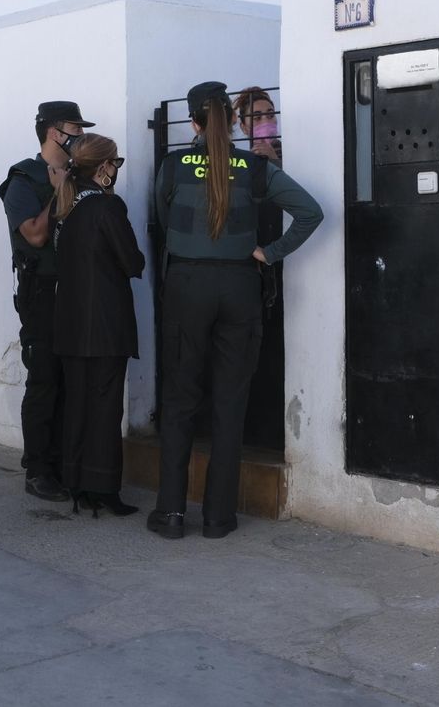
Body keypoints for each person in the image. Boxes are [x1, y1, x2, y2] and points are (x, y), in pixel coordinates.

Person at [148, 81, 323, 540]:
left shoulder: (172, 165)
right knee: (230, 402)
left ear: (193, 122)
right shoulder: (254, 168)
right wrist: (271, 251)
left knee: (180, 402)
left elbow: (163, 223)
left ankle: (169, 513)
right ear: (230, 119)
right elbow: (310, 212)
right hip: (239, 286)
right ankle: (218, 517)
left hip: (188, 285)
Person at [0, 100, 94, 502]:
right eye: (75, 128)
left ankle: (66, 464)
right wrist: (59, 192)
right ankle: (37, 469)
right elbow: (35, 235)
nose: (80, 136)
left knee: (73, 383)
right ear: (55, 132)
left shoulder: (79, 173)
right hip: (42, 293)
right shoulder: (24, 178)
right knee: (44, 382)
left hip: (77, 291)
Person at [50, 133, 144, 517]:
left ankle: (74, 483)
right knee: (105, 409)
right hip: (105, 326)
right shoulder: (108, 208)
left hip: (69, 324)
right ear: (103, 167)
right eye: (116, 163)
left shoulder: (65, 207)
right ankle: (103, 488)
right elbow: (132, 262)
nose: (116, 169)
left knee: (77, 405)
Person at [233, 86, 282, 164]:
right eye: (257, 118)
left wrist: (274, 159)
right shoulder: (243, 162)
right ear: (243, 128)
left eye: (271, 115)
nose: (266, 121)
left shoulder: (289, 152)